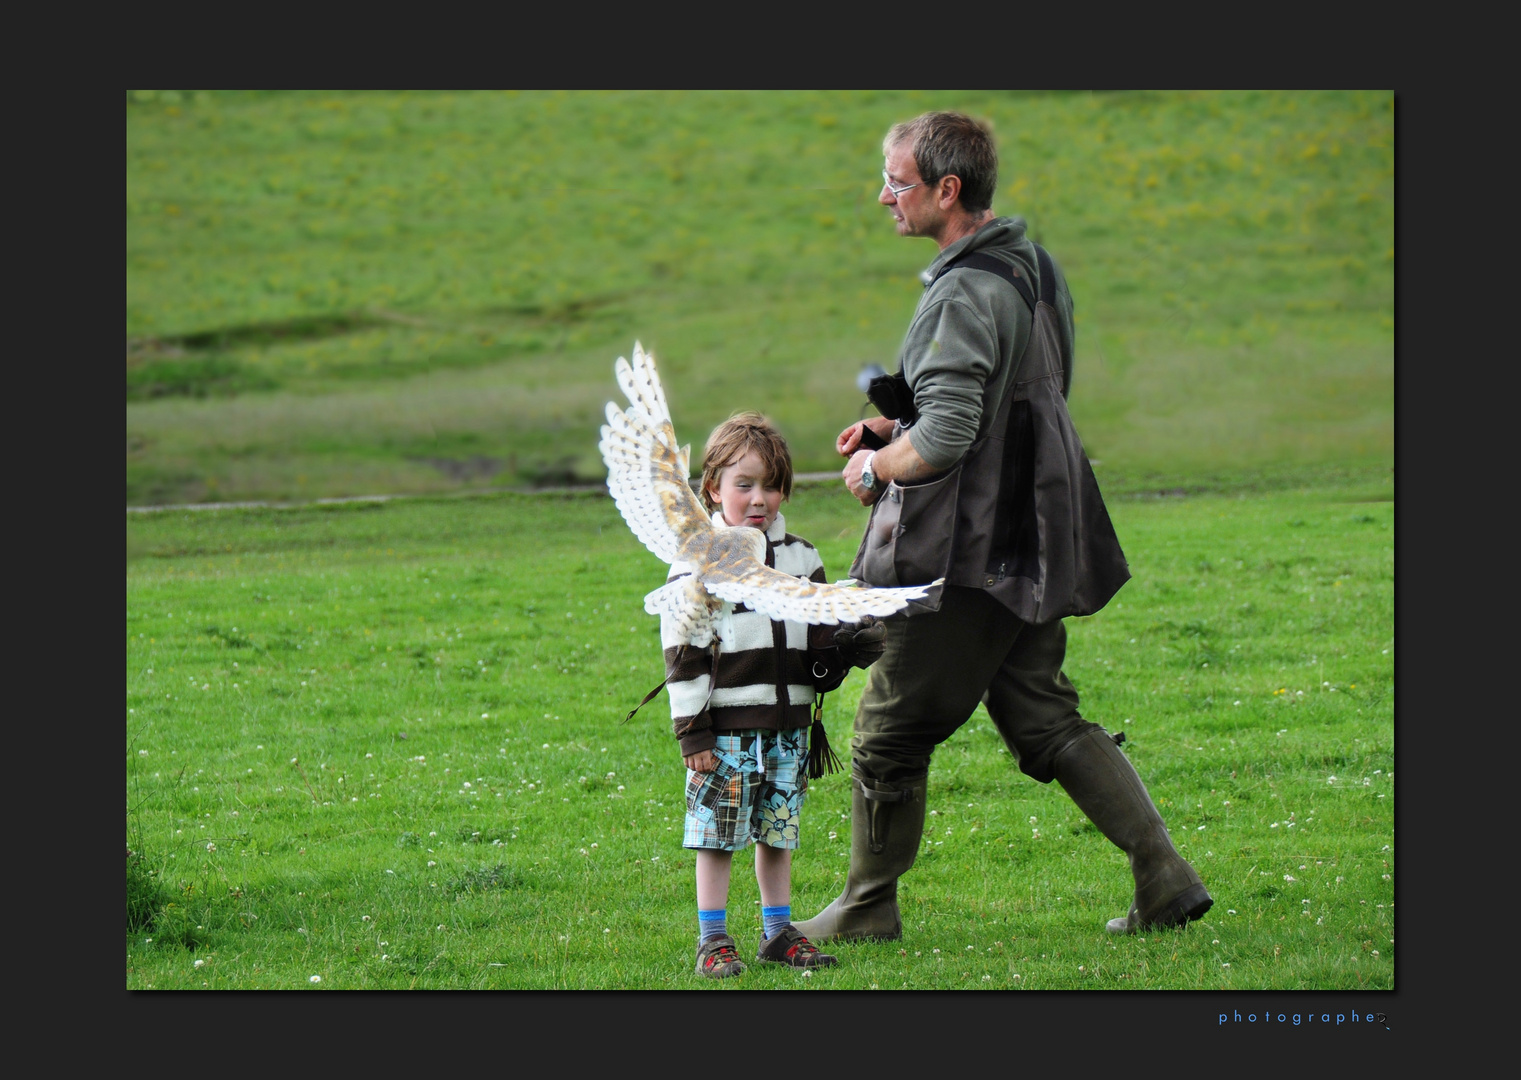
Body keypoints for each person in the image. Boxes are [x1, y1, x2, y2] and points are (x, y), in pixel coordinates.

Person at [795, 111, 1212, 943]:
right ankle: (1162, 875)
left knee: (888, 730)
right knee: (1042, 714)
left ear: (947, 191)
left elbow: (949, 435)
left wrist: (876, 466)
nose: (883, 197)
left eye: (896, 181)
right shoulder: (1032, 266)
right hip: (1034, 534)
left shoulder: (960, 293)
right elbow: (1009, 395)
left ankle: (868, 908)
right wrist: (893, 426)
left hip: (964, 552)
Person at [665, 411, 888, 977]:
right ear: (713, 487)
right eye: (744, 484)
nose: (759, 498)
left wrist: (844, 650)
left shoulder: (802, 557)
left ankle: (776, 932)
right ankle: (712, 939)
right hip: (727, 732)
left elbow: (815, 650)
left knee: (777, 832)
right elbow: (682, 650)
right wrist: (693, 730)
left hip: (788, 729)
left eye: (771, 484)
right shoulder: (700, 558)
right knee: (717, 838)